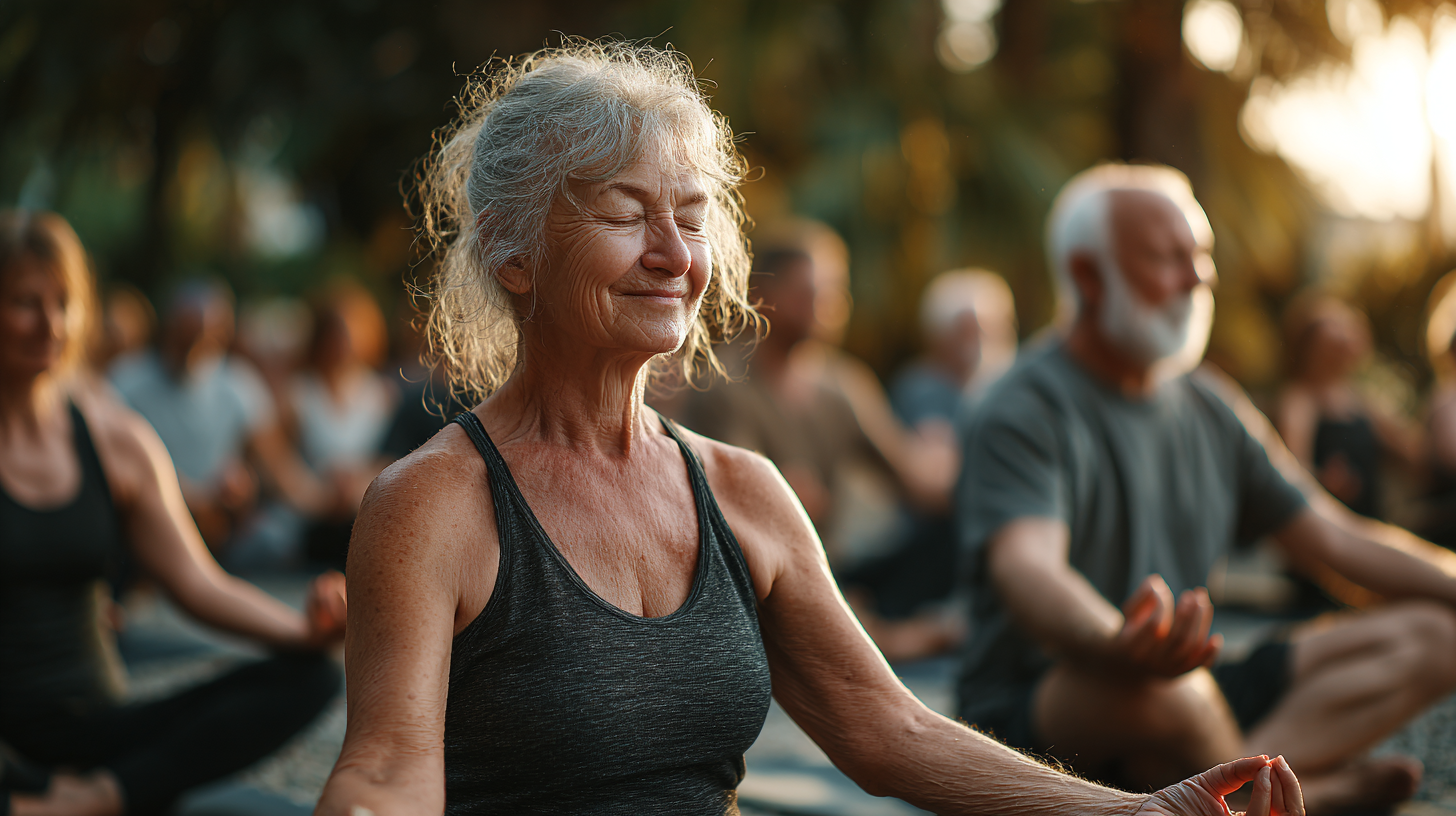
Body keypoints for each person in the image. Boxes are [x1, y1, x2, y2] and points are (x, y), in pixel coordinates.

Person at [316, 43, 1301, 816]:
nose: (672, 254)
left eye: (693, 219)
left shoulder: (742, 491)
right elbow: (388, 772)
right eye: (627, 215)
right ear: (510, 252)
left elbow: (891, 733)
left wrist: (1132, 812)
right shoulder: (433, 503)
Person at [954, 162, 1456, 815]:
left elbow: (1334, 538)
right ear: (1086, 275)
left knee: (1438, 634)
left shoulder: (1210, 405)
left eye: (1202, 254)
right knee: (1166, 691)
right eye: (1168, 257)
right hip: (1048, 703)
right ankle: (1271, 798)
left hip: (1191, 687)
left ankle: (1246, 796)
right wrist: (1118, 642)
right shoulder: (1024, 404)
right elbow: (1027, 568)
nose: (1199, 277)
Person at [0, 209, 346, 816]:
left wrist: (303, 633)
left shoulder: (117, 443)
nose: (50, 325)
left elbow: (197, 583)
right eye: (26, 303)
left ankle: (96, 798)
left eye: (65, 302)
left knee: (312, 678)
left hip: (97, 732)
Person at [109, 280, 333, 551]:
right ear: (168, 329)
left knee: (275, 540)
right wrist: (189, 496)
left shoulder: (238, 385)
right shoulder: (127, 382)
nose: (193, 350)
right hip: (149, 519)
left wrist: (331, 497)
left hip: (221, 525)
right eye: (185, 337)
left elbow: (278, 468)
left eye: (205, 338)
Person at [1274, 292, 1421, 520]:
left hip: (1369, 522)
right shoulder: (1300, 399)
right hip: (1328, 531)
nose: (1348, 331)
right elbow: (1291, 469)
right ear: (1309, 342)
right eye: (1335, 324)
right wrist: (1323, 478)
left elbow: (1412, 450)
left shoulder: (1357, 398)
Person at [284, 281, 397, 570]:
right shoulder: (297, 394)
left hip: (366, 506)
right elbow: (283, 462)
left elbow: (393, 455)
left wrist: (360, 486)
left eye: (351, 334)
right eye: (335, 334)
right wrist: (317, 494)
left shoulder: (382, 394)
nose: (343, 344)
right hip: (310, 510)